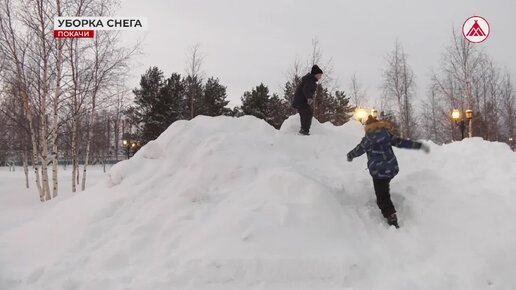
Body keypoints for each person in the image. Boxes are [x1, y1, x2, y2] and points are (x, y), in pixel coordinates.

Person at [346, 115, 430, 228]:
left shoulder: (367, 140)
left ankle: (390, 215)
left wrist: (350, 156)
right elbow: (401, 142)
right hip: (391, 169)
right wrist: (417, 145)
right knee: (384, 185)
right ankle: (387, 195)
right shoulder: (386, 135)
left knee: (382, 196)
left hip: (378, 172)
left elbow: (357, 151)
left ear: (367, 128)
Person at [292, 65, 323, 135]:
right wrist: (309, 98)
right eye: (320, 75)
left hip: (300, 101)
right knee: (308, 114)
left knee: (305, 114)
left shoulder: (309, 79)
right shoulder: (311, 81)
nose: (320, 77)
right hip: (301, 101)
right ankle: (304, 130)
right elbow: (305, 89)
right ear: (316, 74)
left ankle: (303, 129)